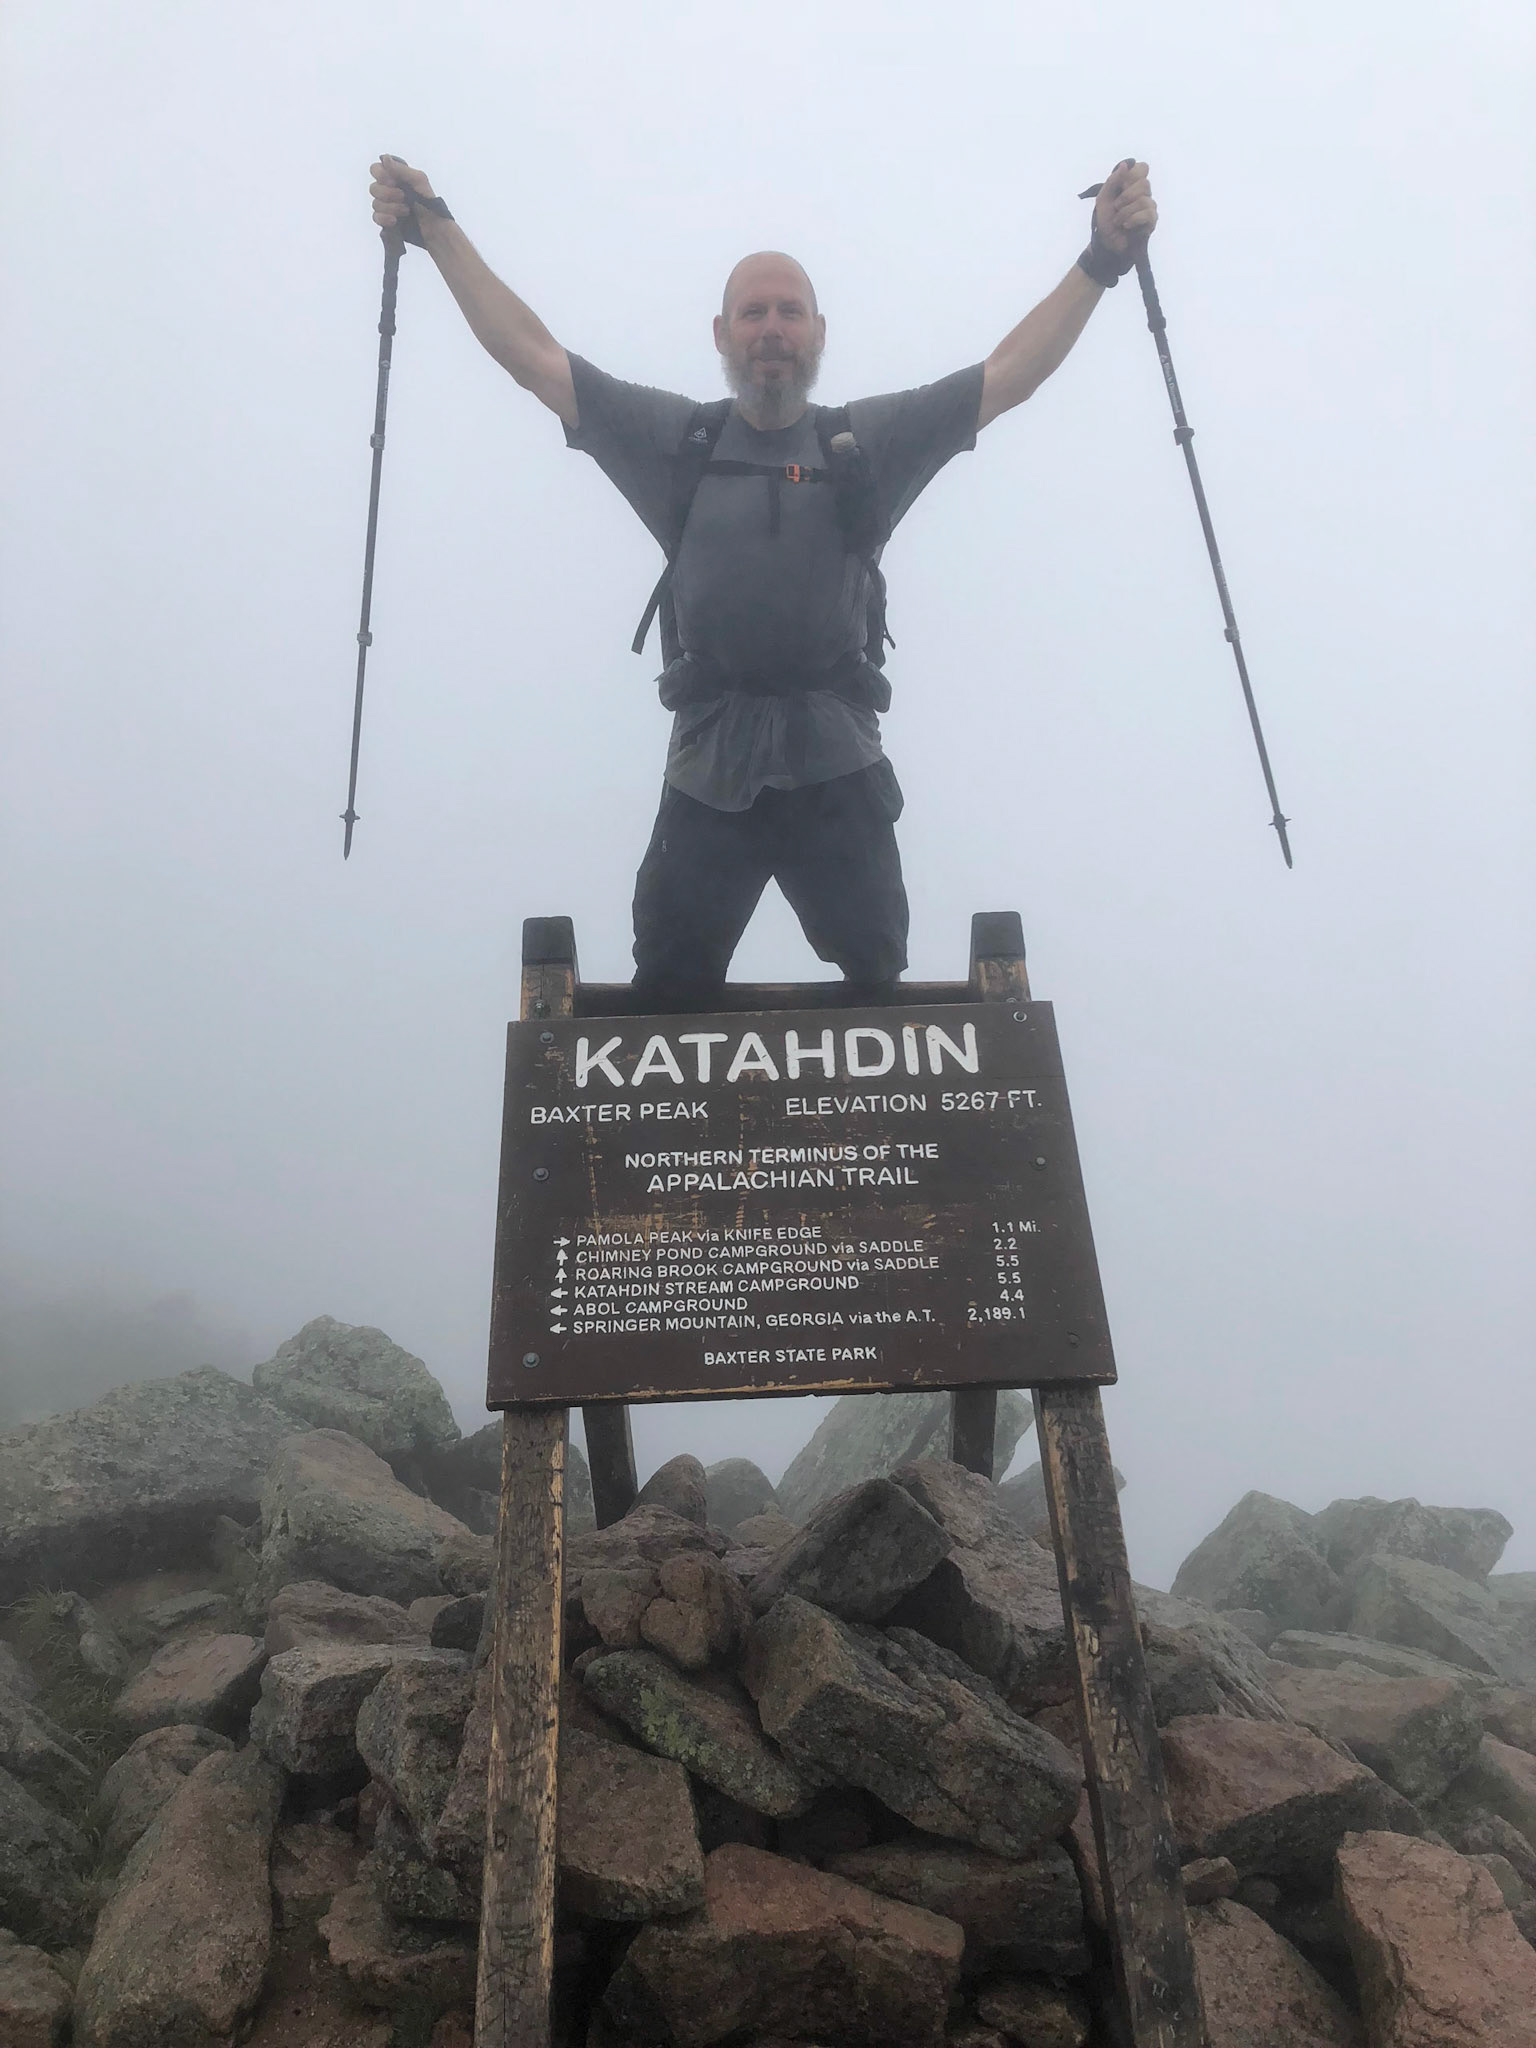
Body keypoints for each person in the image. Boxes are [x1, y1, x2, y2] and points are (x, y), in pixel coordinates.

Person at [368, 156, 1157, 1001]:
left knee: (875, 970)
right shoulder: (679, 444)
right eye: (753, 313)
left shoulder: (866, 446)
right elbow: (532, 357)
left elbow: (1010, 376)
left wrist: (1102, 261)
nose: (771, 327)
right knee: (669, 977)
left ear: (820, 332)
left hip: (837, 752)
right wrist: (437, 229)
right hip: (712, 755)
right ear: (721, 333)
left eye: (789, 312)